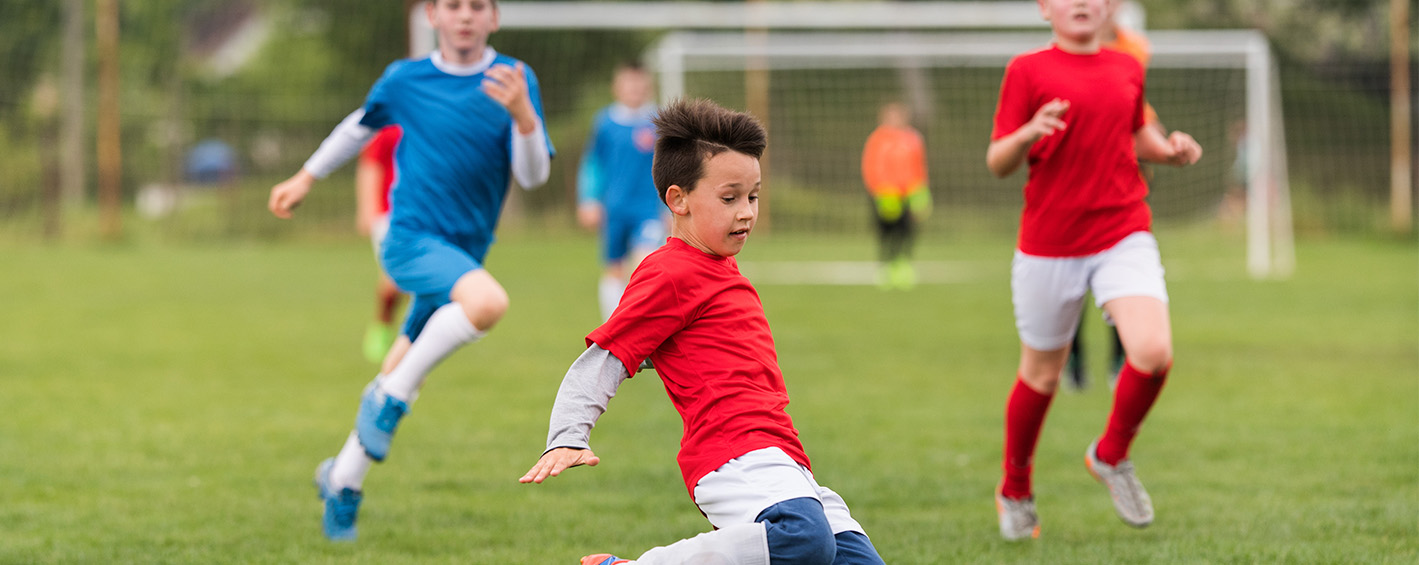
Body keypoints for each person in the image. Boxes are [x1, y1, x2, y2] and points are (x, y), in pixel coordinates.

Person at [520, 99, 885, 565]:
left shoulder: (722, 269)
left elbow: (677, 344)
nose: (747, 212)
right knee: (803, 537)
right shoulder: (670, 271)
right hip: (732, 451)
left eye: (753, 196)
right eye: (729, 198)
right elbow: (608, 356)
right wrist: (569, 435)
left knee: (855, 561)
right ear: (679, 199)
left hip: (783, 453)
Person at [267, 0, 553, 541]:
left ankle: (342, 480)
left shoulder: (515, 79)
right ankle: (389, 398)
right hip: (410, 240)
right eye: (453, 6)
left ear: (493, 17)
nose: (464, 16)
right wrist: (306, 177)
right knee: (486, 305)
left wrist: (524, 116)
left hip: (467, 253)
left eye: (477, 6)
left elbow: (533, 176)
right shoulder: (406, 79)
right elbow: (358, 127)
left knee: (404, 359)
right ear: (433, 16)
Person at [985, 0, 1201, 541]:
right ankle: (1015, 488)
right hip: (1049, 242)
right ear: (1043, 8)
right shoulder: (1026, 70)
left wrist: (1170, 150)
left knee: (1152, 352)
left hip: (1122, 231)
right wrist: (1030, 131)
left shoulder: (1127, 66)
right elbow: (997, 161)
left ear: (1110, 8)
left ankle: (1111, 454)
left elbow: (1136, 134)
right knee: (1043, 375)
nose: (1081, 2)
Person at [1063, 1, 1162, 392]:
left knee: (1126, 285)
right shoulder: (1066, 49)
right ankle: (1072, 363)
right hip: (1077, 186)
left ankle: (1122, 359)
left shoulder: (1133, 50)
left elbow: (1135, 109)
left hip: (1120, 183)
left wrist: (1155, 146)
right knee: (1071, 289)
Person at [576, 63, 667, 321]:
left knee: (644, 265)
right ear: (616, 88)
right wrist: (589, 200)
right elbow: (593, 164)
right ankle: (612, 329)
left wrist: (669, 207)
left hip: (648, 209)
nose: (635, 90)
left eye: (640, 85)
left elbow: (672, 167)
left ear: (649, 87)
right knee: (615, 269)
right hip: (614, 207)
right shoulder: (605, 122)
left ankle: (642, 328)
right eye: (629, 85)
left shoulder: (659, 121)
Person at [860, 102, 932, 290]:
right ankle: (885, 265)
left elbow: (919, 166)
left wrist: (921, 192)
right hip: (885, 194)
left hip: (908, 194)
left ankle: (903, 265)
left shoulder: (914, 138)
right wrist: (877, 189)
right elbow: (871, 165)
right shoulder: (877, 139)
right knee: (886, 231)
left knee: (907, 231)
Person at [355, 125, 406, 363]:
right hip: (389, 215)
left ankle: (413, 338)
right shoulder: (391, 127)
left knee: (417, 281)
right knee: (395, 281)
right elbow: (370, 165)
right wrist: (367, 208)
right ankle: (383, 324)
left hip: (425, 215)